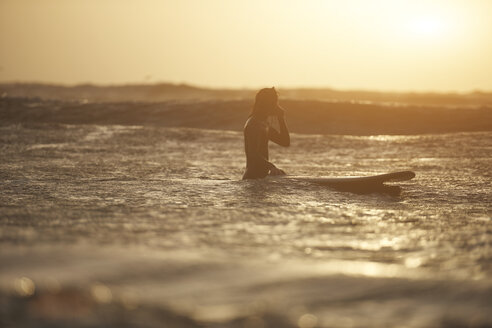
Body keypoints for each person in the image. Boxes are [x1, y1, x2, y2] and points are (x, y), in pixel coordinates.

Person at [242, 87, 290, 179]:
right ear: (267, 104)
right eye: (275, 102)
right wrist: (271, 166)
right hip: (252, 179)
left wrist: (281, 118)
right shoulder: (253, 124)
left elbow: (285, 142)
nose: (277, 106)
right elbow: (253, 154)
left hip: (260, 179)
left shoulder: (264, 124)